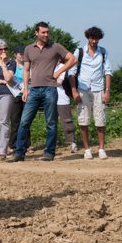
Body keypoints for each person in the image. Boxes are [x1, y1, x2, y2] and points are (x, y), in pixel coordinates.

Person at [12, 22, 78, 162]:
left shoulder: (56, 47)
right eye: (43, 32)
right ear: (36, 33)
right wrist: (25, 88)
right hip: (33, 90)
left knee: (51, 123)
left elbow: (73, 59)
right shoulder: (29, 49)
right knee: (24, 121)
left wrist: (59, 71)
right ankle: (19, 153)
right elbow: (26, 70)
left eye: (47, 32)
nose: (46, 35)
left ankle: (49, 153)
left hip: (50, 89)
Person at [69, 26, 113, 160]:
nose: (94, 41)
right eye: (92, 38)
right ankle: (87, 149)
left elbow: (108, 72)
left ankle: (101, 149)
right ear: (88, 38)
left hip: (99, 89)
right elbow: (71, 72)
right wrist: (74, 90)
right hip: (82, 89)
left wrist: (107, 91)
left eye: (97, 39)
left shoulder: (103, 52)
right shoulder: (79, 52)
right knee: (84, 120)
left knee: (100, 119)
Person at [8, 46, 29, 153]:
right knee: (15, 120)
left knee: (26, 120)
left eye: (23, 54)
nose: (22, 56)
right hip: (15, 95)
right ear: (15, 54)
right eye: (20, 54)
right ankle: (13, 144)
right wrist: (19, 89)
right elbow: (9, 79)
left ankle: (26, 144)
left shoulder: (28, 65)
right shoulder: (12, 65)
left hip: (26, 94)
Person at [54, 63, 78, 153]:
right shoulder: (47, 65)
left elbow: (59, 82)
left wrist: (47, 81)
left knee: (67, 121)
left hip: (62, 98)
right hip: (49, 98)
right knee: (51, 122)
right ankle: (52, 143)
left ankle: (72, 142)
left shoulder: (64, 67)